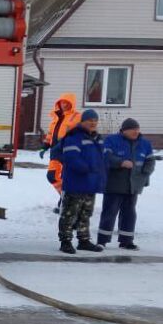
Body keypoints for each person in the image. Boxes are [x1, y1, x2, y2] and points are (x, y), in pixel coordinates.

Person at [97, 118, 156, 250]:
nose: (136, 131)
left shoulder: (145, 143)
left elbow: (150, 161)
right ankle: (102, 240)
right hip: (114, 183)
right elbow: (105, 157)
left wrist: (145, 173)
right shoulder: (112, 140)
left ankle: (126, 241)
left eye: (137, 129)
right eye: (132, 129)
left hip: (133, 185)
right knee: (109, 212)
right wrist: (120, 162)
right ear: (124, 130)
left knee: (129, 213)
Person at [54, 109, 106, 254]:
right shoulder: (74, 137)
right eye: (90, 120)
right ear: (82, 122)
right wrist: (88, 168)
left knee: (85, 213)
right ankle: (65, 241)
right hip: (75, 183)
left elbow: (101, 158)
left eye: (95, 120)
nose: (93, 123)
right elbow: (72, 158)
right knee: (70, 213)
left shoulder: (97, 138)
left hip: (91, 183)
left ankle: (84, 240)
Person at [40, 93, 81, 199]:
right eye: (63, 102)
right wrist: (44, 146)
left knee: (67, 178)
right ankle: (66, 198)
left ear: (72, 104)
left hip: (68, 153)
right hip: (55, 152)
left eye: (67, 103)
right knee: (52, 177)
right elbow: (50, 134)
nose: (64, 105)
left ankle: (67, 201)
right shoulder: (56, 117)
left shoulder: (76, 117)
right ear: (59, 103)